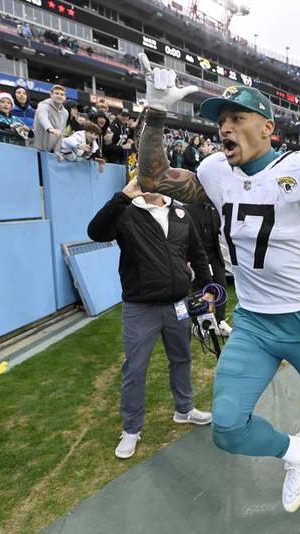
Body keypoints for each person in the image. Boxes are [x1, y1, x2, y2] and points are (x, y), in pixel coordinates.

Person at [135, 54, 300, 512]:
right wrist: (154, 116)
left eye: (236, 118)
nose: (224, 127)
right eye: (220, 120)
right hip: (252, 323)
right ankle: (296, 451)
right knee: (227, 427)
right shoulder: (214, 173)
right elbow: (150, 178)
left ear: (268, 128)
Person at [87, 178, 214, 459]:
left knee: (182, 358)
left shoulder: (181, 212)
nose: (152, 183)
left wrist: (206, 290)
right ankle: (131, 429)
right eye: (145, 176)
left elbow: (197, 253)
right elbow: (95, 232)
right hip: (140, 306)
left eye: (157, 176)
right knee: (135, 369)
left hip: (177, 304)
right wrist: (122, 197)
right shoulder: (125, 211)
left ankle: (184, 410)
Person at [184, 200, 233, 336]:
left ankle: (220, 322)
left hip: (215, 256)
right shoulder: (187, 208)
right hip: (197, 258)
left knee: (221, 287)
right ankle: (199, 325)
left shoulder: (215, 208)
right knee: (199, 292)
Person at [32, 85, 68, 152]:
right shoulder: (43, 105)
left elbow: (61, 133)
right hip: (35, 148)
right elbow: (42, 117)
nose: (59, 96)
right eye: (56, 93)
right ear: (51, 95)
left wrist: (57, 151)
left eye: (62, 94)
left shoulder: (65, 113)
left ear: (65, 97)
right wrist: (50, 129)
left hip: (50, 150)